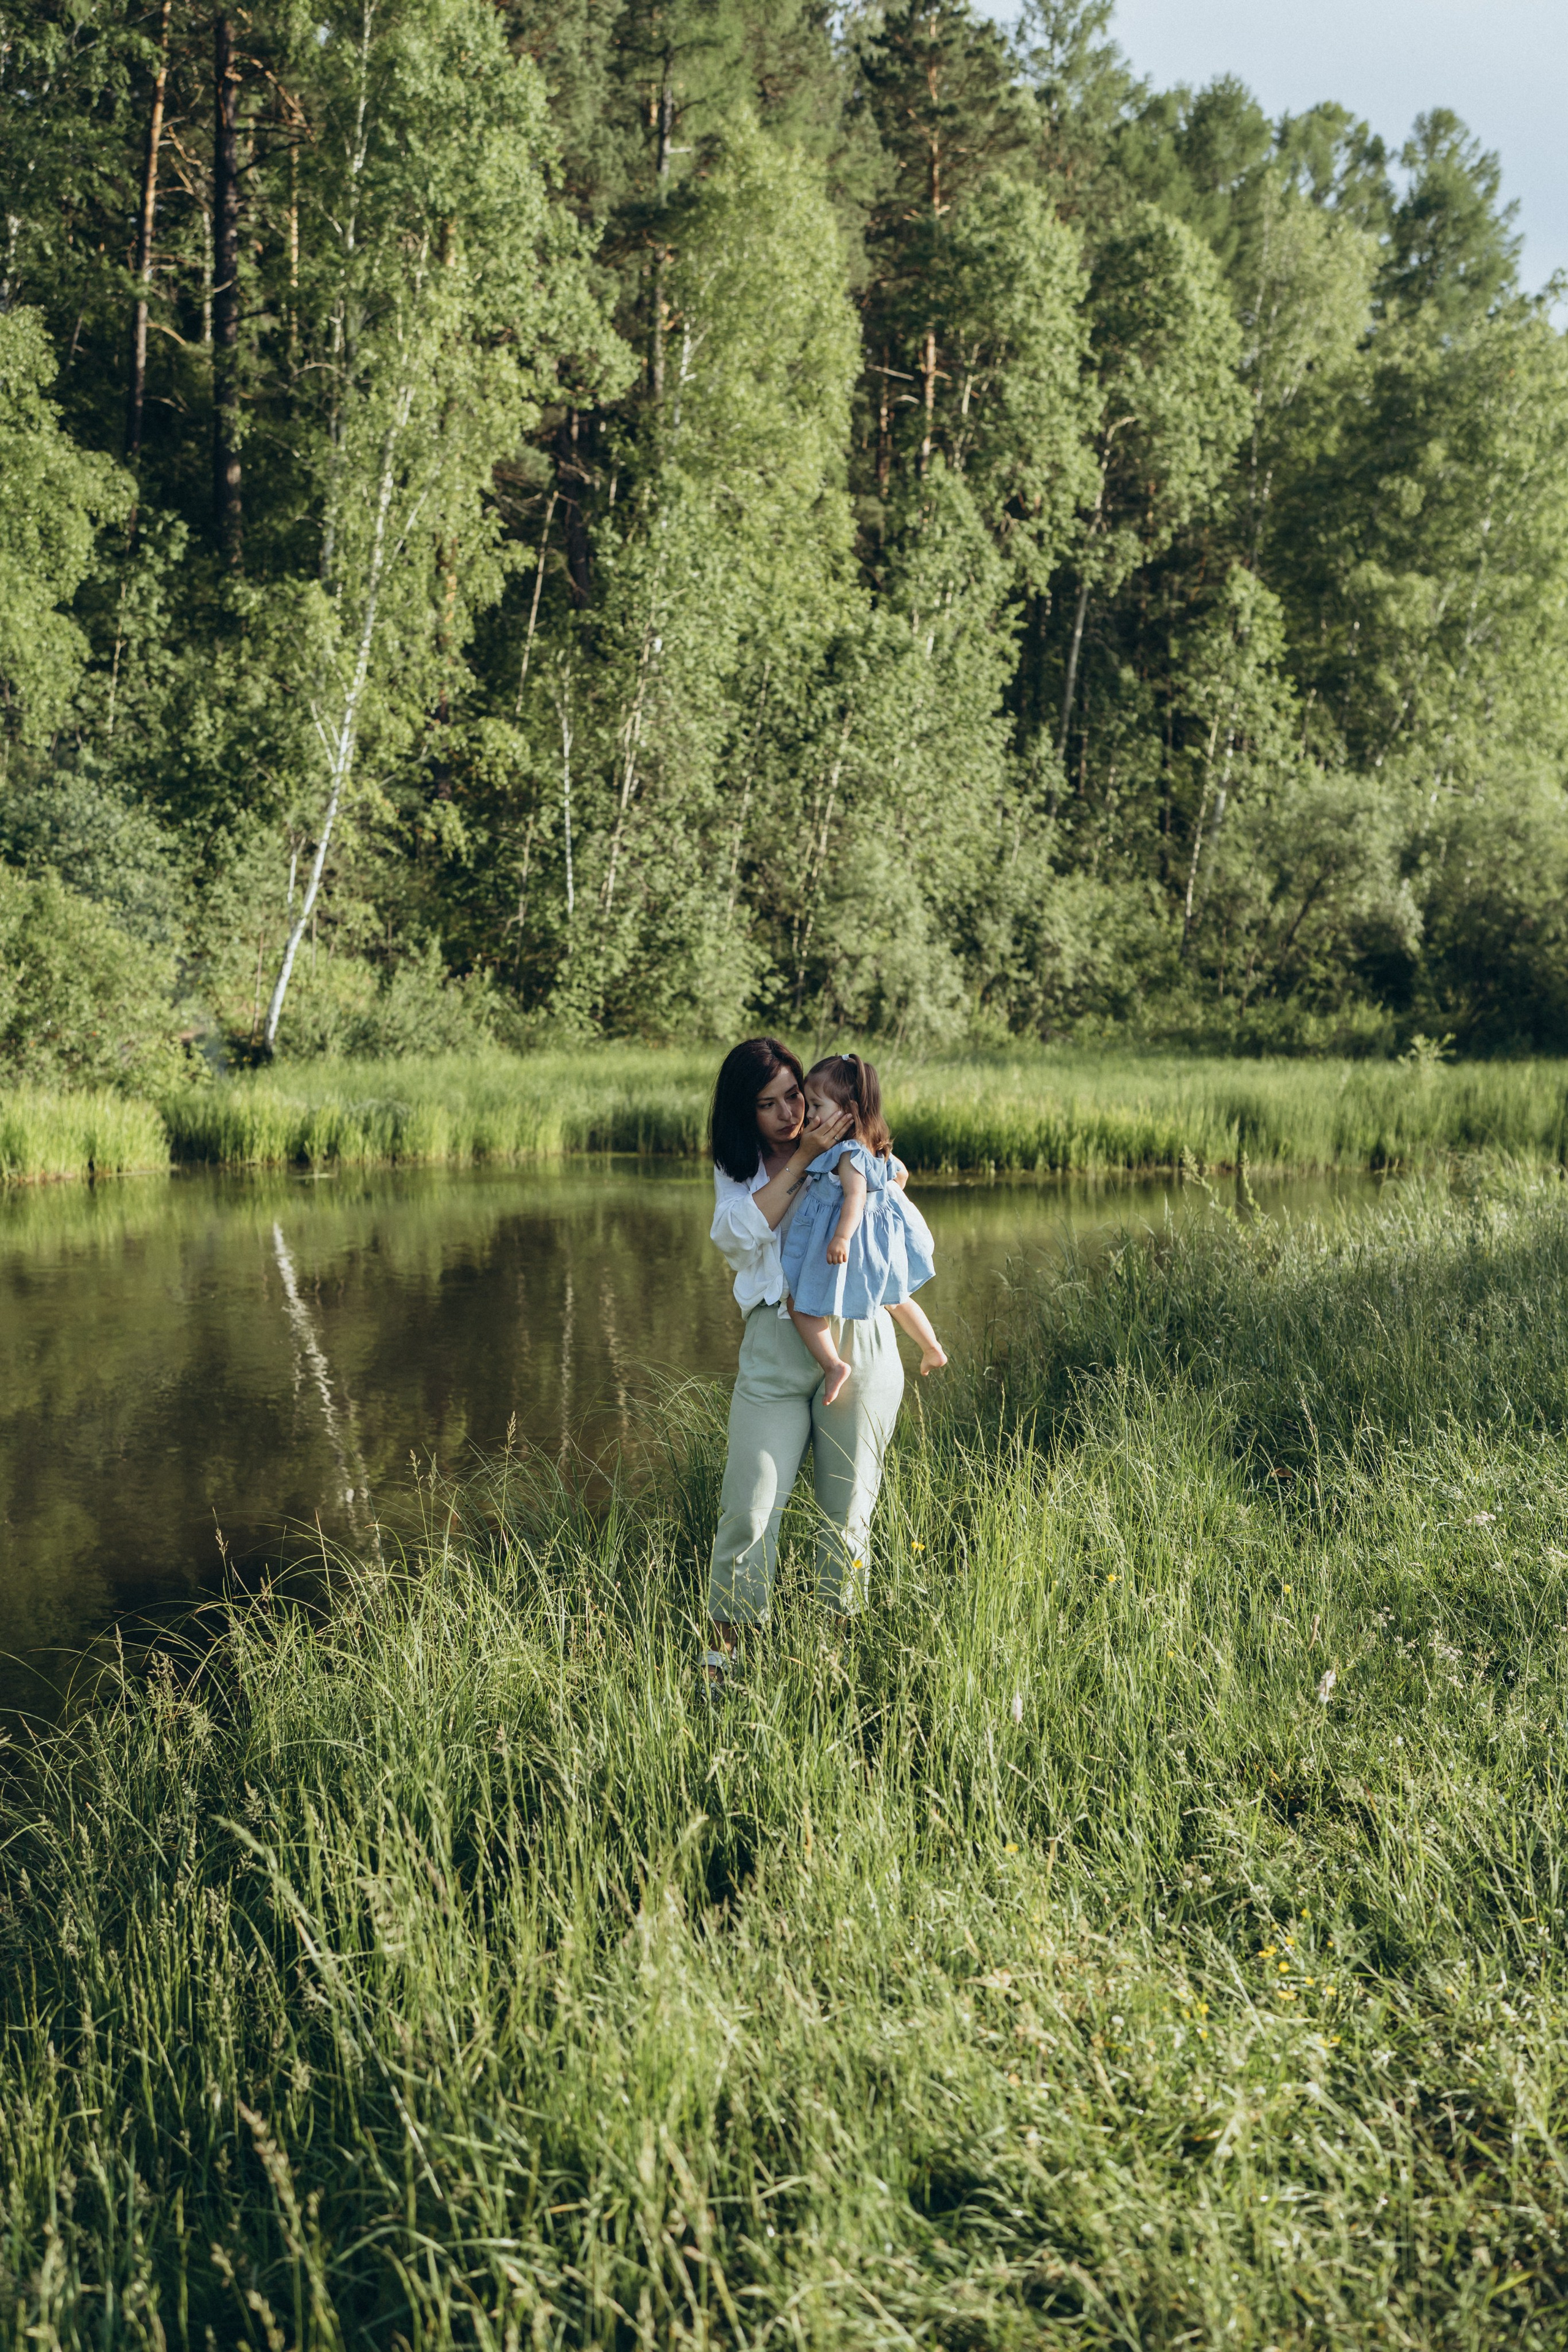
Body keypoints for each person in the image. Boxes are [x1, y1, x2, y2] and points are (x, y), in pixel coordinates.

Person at [704, 1037, 910, 1687]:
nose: (788, 1113)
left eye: (794, 1094)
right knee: (750, 1507)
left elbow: (896, 1226)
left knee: (847, 1512)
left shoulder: (856, 1144)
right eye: (767, 1105)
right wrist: (806, 1160)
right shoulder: (741, 1167)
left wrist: (872, 1166)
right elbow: (736, 1238)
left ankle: (831, 1663)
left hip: (857, 1337)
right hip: (774, 1344)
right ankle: (723, 1665)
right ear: (745, 1114)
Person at [780, 1054, 946, 1403]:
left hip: (848, 1241)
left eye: (816, 1105)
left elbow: (855, 1195)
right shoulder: (873, 1143)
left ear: (849, 1111)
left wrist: (841, 1236)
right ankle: (931, 1347)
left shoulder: (848, 1153)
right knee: (895, 1297)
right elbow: (899, 1175)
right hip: (872, 1243)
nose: (808, 1114)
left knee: (798, 1301)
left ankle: (832, 1364)